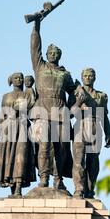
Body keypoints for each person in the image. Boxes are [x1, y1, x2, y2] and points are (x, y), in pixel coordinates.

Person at [30, 16, 75, 189]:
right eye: (50, 53)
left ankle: (58, 178)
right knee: (44, 146)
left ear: (60, 56)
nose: (53, 55)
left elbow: (75, 93)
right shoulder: (40, 66)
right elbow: (35, 47)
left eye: (56, 53)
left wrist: (72, 108)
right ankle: (44, 178)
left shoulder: (65, 74)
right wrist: (37, 26)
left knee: (61, 148)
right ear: (47, 55)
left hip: (60, 111)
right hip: (42, 109)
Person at [0, 72, 36, 197]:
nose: (19, 80)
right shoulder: (6, 96)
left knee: (20, 156)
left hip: (21, 127)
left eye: (21, 78)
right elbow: (1, 115)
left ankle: (18, 188)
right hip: (7, 128)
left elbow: (32, 108)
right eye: (16, 78)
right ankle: (12, 188)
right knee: (8, 157)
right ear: (11, 80)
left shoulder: (27, 94)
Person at [71, 68, 110, 198]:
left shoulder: (101, 96)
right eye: (85, 76)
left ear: (94, 78)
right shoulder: (76, 93)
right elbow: (70, 113)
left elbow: (105, 116)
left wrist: (108, 134)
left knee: (93, 162)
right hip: (80, 126)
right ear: (82, 78)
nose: (88, 78)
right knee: (78, 160)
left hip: (95, 127)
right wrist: (79, 102)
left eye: (90, 76)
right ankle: (79, 188)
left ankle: (90, 190)